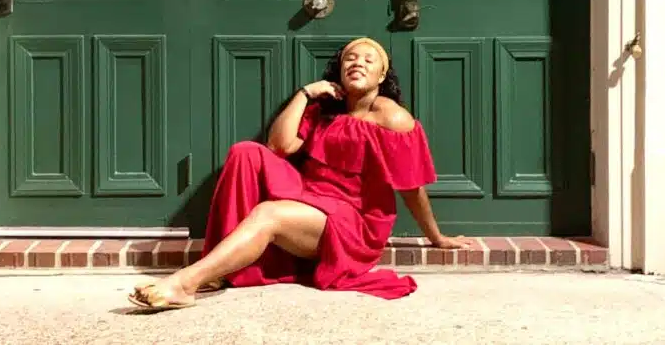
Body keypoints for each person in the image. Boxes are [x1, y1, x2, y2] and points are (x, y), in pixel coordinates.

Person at [128, 37, 472, 311]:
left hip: (351, 222)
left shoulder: (392, 118)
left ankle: (184, 285)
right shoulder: (324, 111)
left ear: (382, 76)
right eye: (350, 58)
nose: (358, 63)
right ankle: (219, 271)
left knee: (268, 214)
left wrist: (436, 237)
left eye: (369, 59)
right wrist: (306, 94)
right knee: (246, 152)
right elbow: (279, 147)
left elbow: (411, 188)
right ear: (337, 72)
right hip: (310, 196)